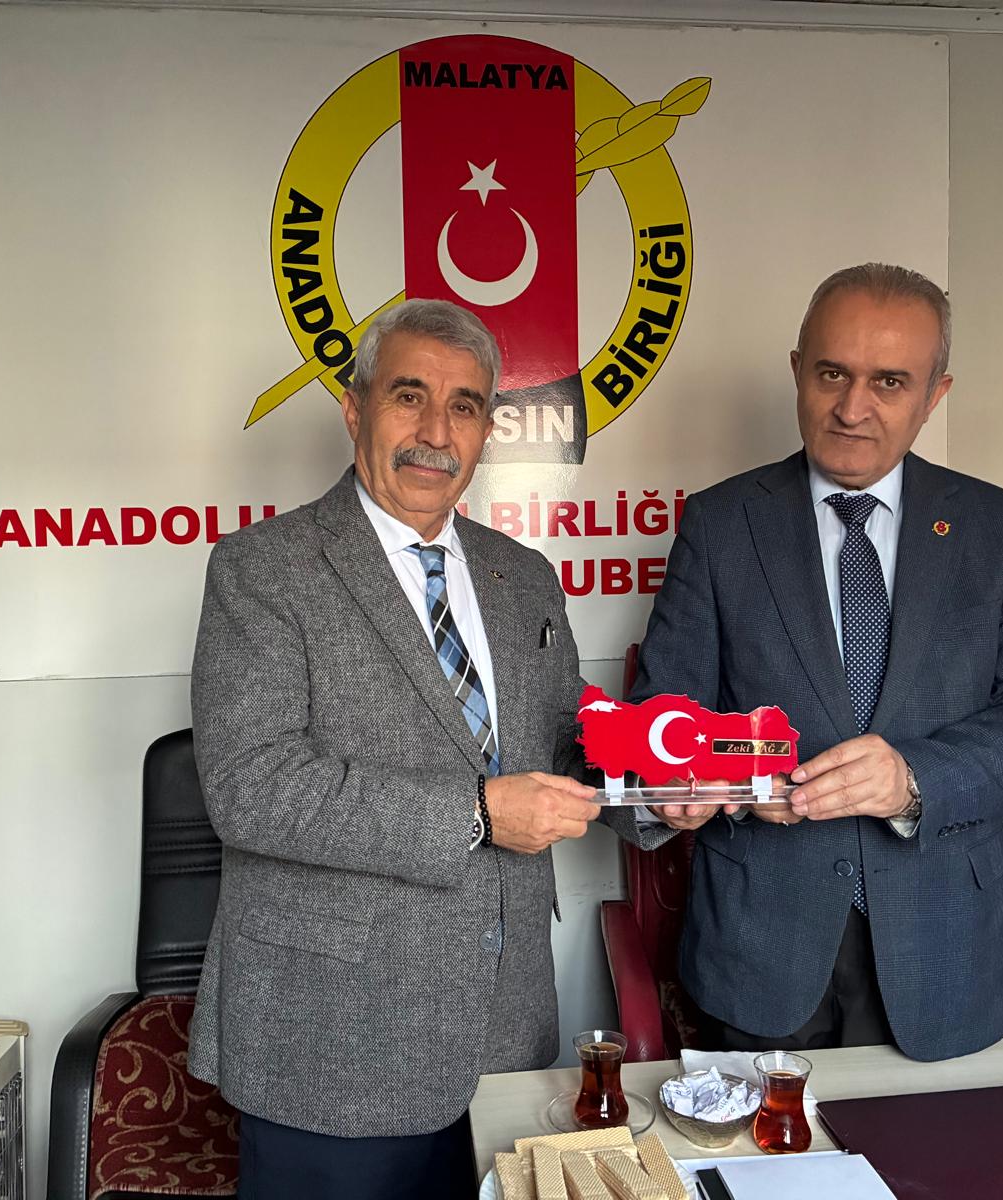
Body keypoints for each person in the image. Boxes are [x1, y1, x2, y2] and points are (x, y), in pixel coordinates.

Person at [187, 299, 604, 1199]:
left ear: (487, 430)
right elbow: (252, 785)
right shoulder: (263, 568)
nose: (435, 433)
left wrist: (661, 785)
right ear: (355, 408)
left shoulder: (525, 576)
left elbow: (567, 743)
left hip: (506, 1031)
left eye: (464, 407)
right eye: (409, 396)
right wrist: (478, 813)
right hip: (333, 1044)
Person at [632, 263, 1003, 1060]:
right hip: (761, 948)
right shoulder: (721, 524)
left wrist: (915, 777)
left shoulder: (1000, 529)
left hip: (945, 948)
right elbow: (665, 718)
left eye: (888, 381)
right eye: (831, 374)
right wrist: (705, 782)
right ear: (797, 371)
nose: (852, 408)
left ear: (934, 395)